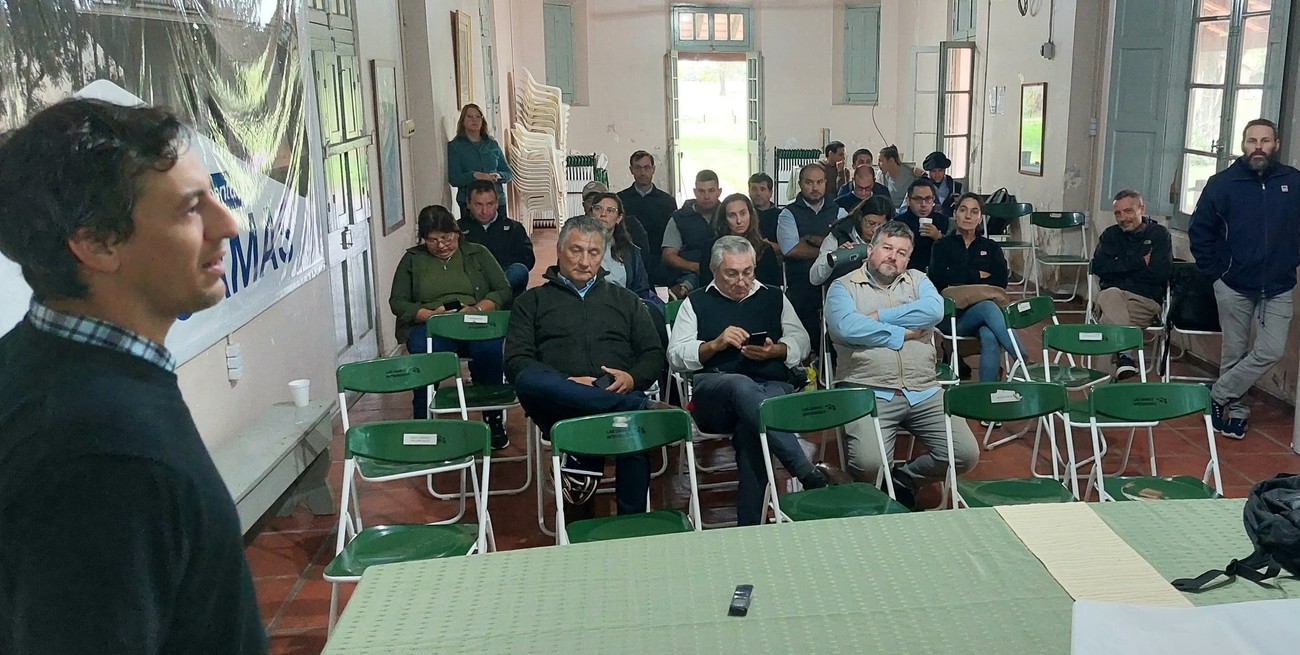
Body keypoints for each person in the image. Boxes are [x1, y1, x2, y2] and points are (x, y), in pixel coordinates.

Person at [0, 99, 265, 652]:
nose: (228, 224)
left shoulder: (39, 364)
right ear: (97, 243)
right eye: (191, 209)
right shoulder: (101, 456)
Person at [668, 237, 841, 526]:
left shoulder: (773, 296)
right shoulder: (696, 302)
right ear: (714, 270)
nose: (742, 281)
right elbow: (675, 356)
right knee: (740, 385)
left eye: (748, 272)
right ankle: (805, 471)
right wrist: (714, 345)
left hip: (769, 384)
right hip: (717, 391)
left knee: (752, 433)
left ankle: (749, 528)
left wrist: (777, 350)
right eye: (731, 273)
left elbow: (801, 341)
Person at [505, 216, 667, 516]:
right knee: (528, 377)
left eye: (593, 252)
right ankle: (632, 406)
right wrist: (565, 383)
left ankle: (633, 524)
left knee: (627, 427)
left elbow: (653, 355)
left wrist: (632, 379)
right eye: (575, 250)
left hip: (616, 392)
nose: (584, 261)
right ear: (559, 249)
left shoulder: (626, 300)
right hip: (557, 400)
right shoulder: (532, 301)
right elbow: (516, 362)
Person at [825, 221, 979, 508]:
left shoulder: (918, 280)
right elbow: (847, 328)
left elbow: (934, 311)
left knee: (965, 454)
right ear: (870, 250)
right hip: (868, 389)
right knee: (869, 463)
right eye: (887, 248)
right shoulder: (843, 287)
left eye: (901, 252)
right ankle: (871, 491)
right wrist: (903, 333)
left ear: (908, 259)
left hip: (924, 389)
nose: (892, 257)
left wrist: (878, 317)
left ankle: (904, 478)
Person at [1189, 118, 1300, 440]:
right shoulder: (1222, 183)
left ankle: (1217, 394)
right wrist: (1217, 274)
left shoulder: (1293, 181)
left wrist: (1292, 259)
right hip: (1233, 283)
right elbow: (1200, 230)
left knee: (1271, 350)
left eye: (1265, 141)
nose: (1258, 147)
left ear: (1276, 144)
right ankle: (1236, 411)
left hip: (1278, 284)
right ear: (1243, 145)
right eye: (1252, 141)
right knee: (1234, 352)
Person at [391, 205, 513, 447]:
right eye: (432, 240)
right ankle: (423, 419)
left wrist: (477, 309)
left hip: (473, 320)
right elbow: (398, 302)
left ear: (457, 232)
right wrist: (429, 315)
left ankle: (493, 418)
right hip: (433, 324)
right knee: (425, 356)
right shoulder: (412, 260)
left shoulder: (477, 253)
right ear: (423, 238)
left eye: (446, 238)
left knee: (488, 351)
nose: (441, 245)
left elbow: (503, 289)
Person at [929, 193, 1021, 383]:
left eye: (974, 212)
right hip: (953, 317)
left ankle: (987, 392)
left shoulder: (991, 247)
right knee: (987, 306)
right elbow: (939, 279)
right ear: (955, 214)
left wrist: (958, 275)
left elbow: (1000, 281)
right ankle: (1022, 359)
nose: (968, 216)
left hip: (985, 320)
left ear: (981, 218)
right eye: (963, 210)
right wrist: (978, 275)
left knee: (990, 336)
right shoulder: (942, 245)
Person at [1091, 189, 1172, 380]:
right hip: (1111, 297)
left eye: (1127, 211)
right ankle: (1125, 355)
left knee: (1107, 327)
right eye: (1117, 213)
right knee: (1111, 293)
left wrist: (1118, 266)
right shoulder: (1110, 235)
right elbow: (1099, 267)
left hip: (1143, 301)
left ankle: (1101, 389)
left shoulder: (1159, 235)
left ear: (1141, 209)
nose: (1122, 218)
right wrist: (1139, 262)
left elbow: (1159, 273)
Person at [777, 163, 847, 345]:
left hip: (834, 278)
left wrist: (811, 240)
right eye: (809, 182)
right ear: (800, 184)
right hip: (802, 281)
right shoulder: (788, 214)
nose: (815, 188)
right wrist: (829, 248)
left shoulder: (839, 211)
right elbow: (791, 250)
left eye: (819, 182)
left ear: (825, 183)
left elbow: (847, 246)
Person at [459, 179, 535, 298]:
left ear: (497, 203)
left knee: (518, 271)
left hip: (504, 277)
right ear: (468, 204)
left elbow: (527, 260)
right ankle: (493, 298)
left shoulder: (514, 228)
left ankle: (492, 297)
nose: (484, 211)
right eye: (479, 204)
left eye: (490, 204)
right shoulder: (458, 230)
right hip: (472, 280)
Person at [618, 150, 678, 286]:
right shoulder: (620, 200)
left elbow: (673, 235)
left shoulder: (667, 201)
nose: (642, 172)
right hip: (629, 261)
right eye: (638, 168)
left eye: (647, 167)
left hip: (659, 263)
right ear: (631, 170)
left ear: (653, 169)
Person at [589, 192, 661, 306]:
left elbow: (641, 290)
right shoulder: (579, 248)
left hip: (624, 308)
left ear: (619, 218)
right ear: (591, 214)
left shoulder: (631, 252)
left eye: (610, 210)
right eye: (598, 208)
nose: (603, 214)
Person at [700, 193, 783, 288]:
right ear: (724, 219)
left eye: (743, 213)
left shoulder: (764, 249)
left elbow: (773, 288)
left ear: (751, 215)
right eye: (732, 215)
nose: (739, 221)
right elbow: (705, 286)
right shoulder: (710, 247)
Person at [662, 169, 723, 299]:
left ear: (719, 191)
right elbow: (668, 255)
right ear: (695, 192)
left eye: (711, 191)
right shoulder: (679, 218)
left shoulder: (728, 215)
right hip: (689, 271)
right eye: (701, 191)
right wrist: (694, 266)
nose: (706, 196)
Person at [447, 103, 512, 221]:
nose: (474, 120)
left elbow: (508, 173)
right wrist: (474, 175)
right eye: (470, 117)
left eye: (478, 117)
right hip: (469, 203)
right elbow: (454, 179)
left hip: (496, 200)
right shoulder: (455, 146)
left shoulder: (492, 144)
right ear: (463, 121)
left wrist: (499, 176)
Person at [810, 195, 892, 286]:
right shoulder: (838, 235)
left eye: (880, 225)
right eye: (870, 223)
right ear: (860, 217)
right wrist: (835, 256)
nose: (874, 230)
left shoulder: (891, 240)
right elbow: (814, 278)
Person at [893, 178, 949, 274]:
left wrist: (939, 237)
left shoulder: (944, 221)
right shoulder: (898, 223)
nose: (923, 204)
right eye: (918, 199)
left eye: (928, 199)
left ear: (933, 200)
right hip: (906, 273)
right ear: (908, 201)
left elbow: (952, 253)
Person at [921, 151, 964, 216]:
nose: (937, 175)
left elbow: (964, 209)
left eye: (940, 171)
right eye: (934, 171)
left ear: (945, 170)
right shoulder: (920, 187)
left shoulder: (957, 187)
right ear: (929, 171)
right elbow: (906, 208)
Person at [748, 172, 782, 251]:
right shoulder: (743, 215)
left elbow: (790, 248)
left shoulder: (781, 216)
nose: (758, 193)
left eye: (762, 189)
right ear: (749, 191)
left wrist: (769, 246)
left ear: (770, 193)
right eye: (754, 189)